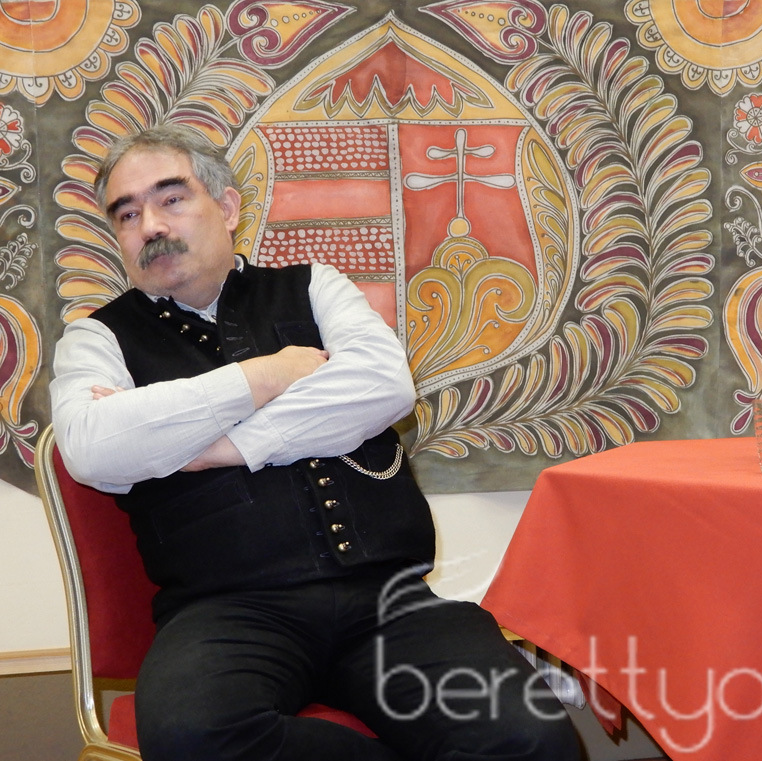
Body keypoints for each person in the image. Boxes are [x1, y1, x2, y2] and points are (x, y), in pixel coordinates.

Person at [49, 124, 581, 761]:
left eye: (171, 199)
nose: (152, 226)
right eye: (128, 214)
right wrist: (268, 375)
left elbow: (383, 385)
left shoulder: (315, 286)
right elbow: (93, 448)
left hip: (391, 602)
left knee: (531, 736)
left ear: (228, 206)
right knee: (195, 737)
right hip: (225, 613)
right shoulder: (97, 339)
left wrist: (222, 446)